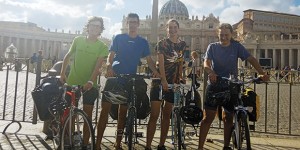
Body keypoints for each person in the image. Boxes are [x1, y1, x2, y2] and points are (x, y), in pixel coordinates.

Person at [198, 23, 269, 150]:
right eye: (221, 35)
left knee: (228, 117)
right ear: (217, 34)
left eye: (226, 35)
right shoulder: (212, 47)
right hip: (215, 85)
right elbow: (206, 62)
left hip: (232, 85)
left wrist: (262, 73)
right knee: (207, 118)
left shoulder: (236, 46)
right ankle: (200, 147)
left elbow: (251, 58)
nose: (224, 37)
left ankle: (226, 146)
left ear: (231, 35)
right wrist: (211, 72)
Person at [95, 13, 159, 150]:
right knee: (104, 111)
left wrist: (156, 71)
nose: (132, 24)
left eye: (134, 22)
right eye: (130, 22)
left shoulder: (143, 42)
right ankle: (97, 143)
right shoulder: (118, 38)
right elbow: (110, 56)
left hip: (130, 79)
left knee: (122, 113)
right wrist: (109, 67)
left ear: (138, 24)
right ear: (126, 24)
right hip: (115, 76)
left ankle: (118, 143)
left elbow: (149, 61)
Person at [59, 16, 109, 145]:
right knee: (70, 114)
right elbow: (68, 56)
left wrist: (91, 82)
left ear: (100, 30)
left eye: (98, 26)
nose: (95, 28)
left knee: (87, 115)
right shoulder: (78, 40)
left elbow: (98, 67)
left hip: (90, 85)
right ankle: (68, 140)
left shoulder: (102, 46)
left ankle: (86, 144)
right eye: (93, 25)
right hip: (72, 82)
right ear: (88, 27)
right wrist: (62, 73)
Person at [145, 19, 186, 150]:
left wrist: (181, 76)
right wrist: (163, 80)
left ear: (178, 29)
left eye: (175, 27)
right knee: (154, 115)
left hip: (173, 82)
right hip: (159, 82)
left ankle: (161, 144)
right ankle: (147, 146)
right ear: (166, 29)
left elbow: (180, 61)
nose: (172, 30)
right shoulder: (161, 43)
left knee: (166, 115)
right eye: (170, 27)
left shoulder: (182, 44)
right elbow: (160, 62)